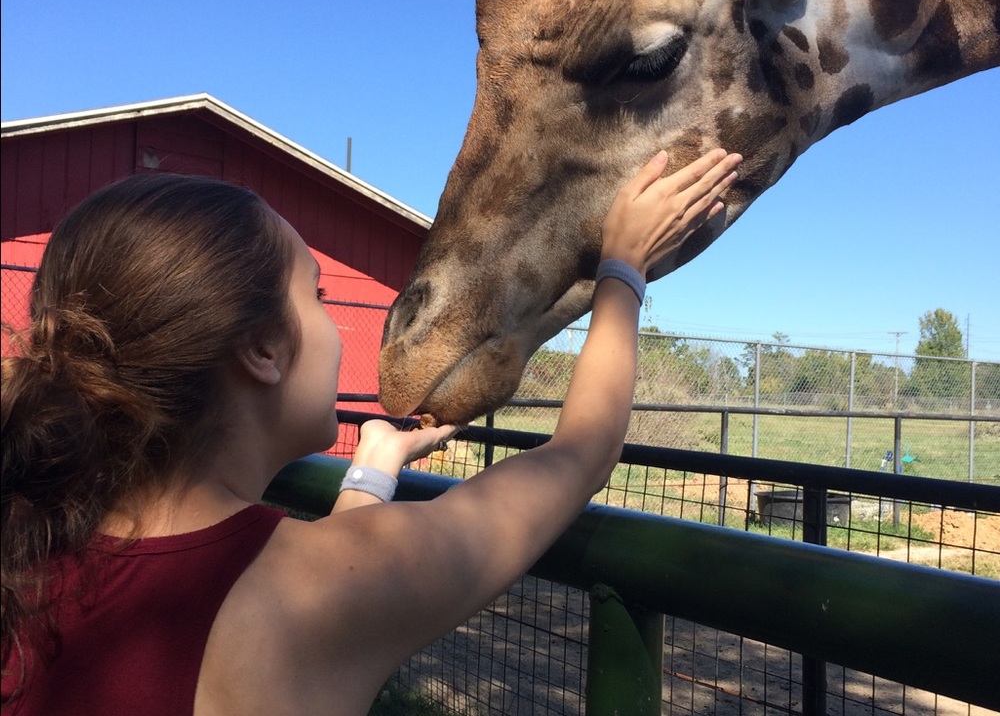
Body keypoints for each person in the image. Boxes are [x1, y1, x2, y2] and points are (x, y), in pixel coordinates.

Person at [1, 146, 741, 715]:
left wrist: (374, 467)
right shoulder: (307, 595)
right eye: (317, 295)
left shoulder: (30, 542)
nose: (331, 320)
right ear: (261, 350)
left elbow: (320, 569)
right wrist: (624, 269)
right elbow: (580, 454)